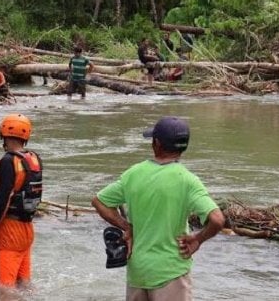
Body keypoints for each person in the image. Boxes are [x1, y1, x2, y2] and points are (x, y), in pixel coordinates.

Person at [92, 117, 225, 301]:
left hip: (138, 272)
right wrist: (198, 239)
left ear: (156, 144)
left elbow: (99, 201)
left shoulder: (134, 173)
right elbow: (217, 220)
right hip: (171, 272)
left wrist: (127, 227)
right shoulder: (187, 180)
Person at [0, 114, 43, 289]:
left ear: (4, 135)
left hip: (10, 232)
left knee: (5, 289)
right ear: (26, 136)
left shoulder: (8, 161)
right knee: (24, 284)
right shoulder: (33, 158)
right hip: (27, 229)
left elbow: (3, 201)